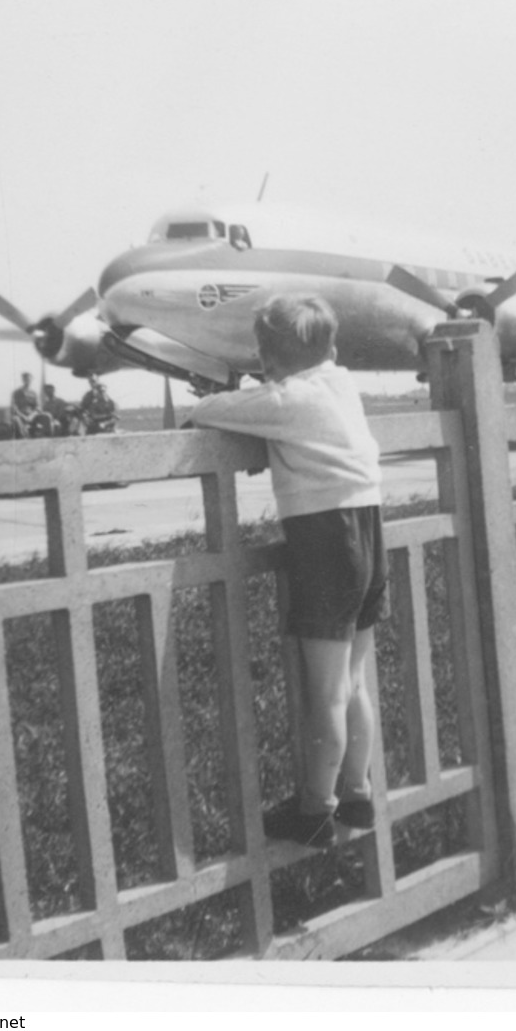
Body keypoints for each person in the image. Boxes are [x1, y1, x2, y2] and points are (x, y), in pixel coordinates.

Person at [191, 294, 386, 848]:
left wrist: (222, 397)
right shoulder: (341, 385)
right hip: (369, 530)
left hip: (326, 541)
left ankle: (315, 812)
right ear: (330, 346)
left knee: (323, 689)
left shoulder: (289, 400)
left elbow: (215, 410)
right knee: (352, 682)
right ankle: (357, 795)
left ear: (270, 358)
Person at [10, 372, 42, 438]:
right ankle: (24, 437)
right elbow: (14, 407)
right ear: (22, 380)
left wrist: (31, 416)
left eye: (29, 379)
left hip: (33, 416)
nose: (27, 381)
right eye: (25, 379)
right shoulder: (16, 393)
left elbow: (38, 407)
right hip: (21, 416)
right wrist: (23, 416)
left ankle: (47, 438)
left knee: (46, 417)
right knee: (15, 419)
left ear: (31, 380)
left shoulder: (34, 393)